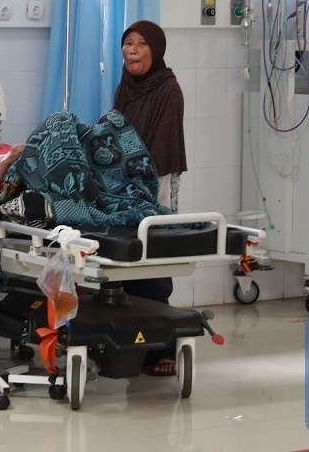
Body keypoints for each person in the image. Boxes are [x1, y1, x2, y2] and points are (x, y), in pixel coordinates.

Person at [113, 20, 187, 377]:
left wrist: (138, 183)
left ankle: (164, 348)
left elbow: (161, 144)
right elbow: (112, 132)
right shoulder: (124, 87)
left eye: (142, 44)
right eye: (128, 43)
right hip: (123, 184)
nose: (133, 50)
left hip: (155, 180)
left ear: (155, 50)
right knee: (130, 269)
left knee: (154, 266)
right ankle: (137, 348)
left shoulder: (168, 89)